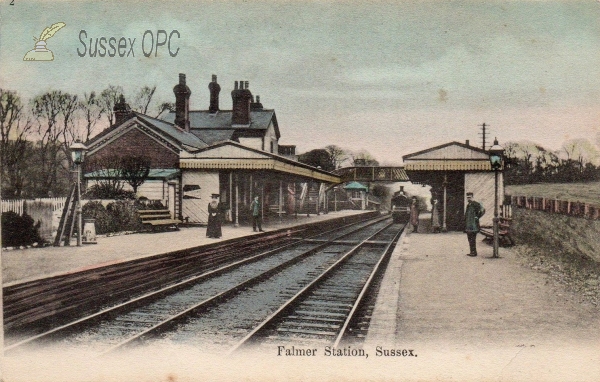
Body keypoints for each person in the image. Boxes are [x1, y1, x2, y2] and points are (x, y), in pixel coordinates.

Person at [465, 192, 485, 256]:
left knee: (473, 239)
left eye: (469, 197)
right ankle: (472, 252)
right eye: (467, 197)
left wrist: (477, 216)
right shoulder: (468, 205)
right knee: (469, 239)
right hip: (468, 225)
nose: (468, 199)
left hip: (474, 225)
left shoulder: (476, 204)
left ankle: (474, 252)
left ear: (472, 197)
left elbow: (483, 210)